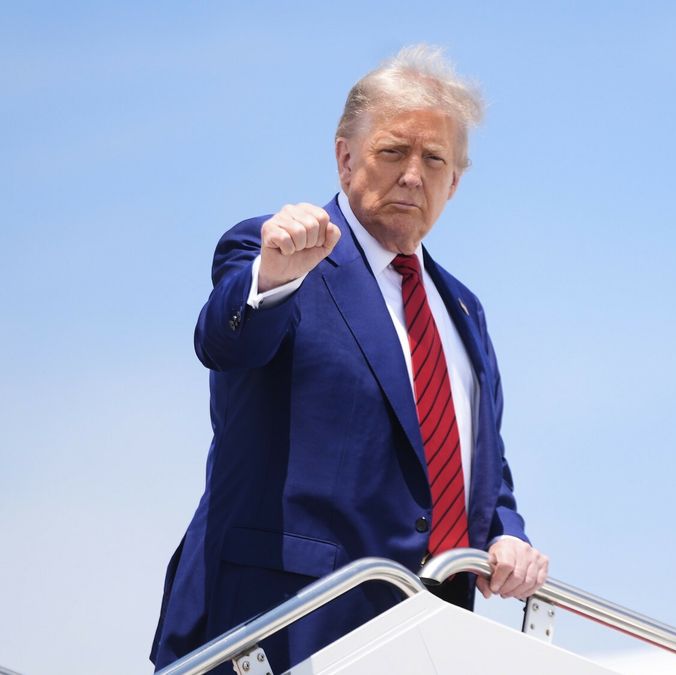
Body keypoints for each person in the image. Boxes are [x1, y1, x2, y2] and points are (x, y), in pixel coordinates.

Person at [150, 45, 549, 672]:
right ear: (344, 156)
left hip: (430, 640)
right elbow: (225, 342)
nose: (413, 175)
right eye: (393, 152)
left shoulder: (465, 311)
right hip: (280, 629)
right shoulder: (278, 251)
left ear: (456, 181)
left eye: (434, 159)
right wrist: (272, 277)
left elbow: (476, 461)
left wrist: (506, 531)